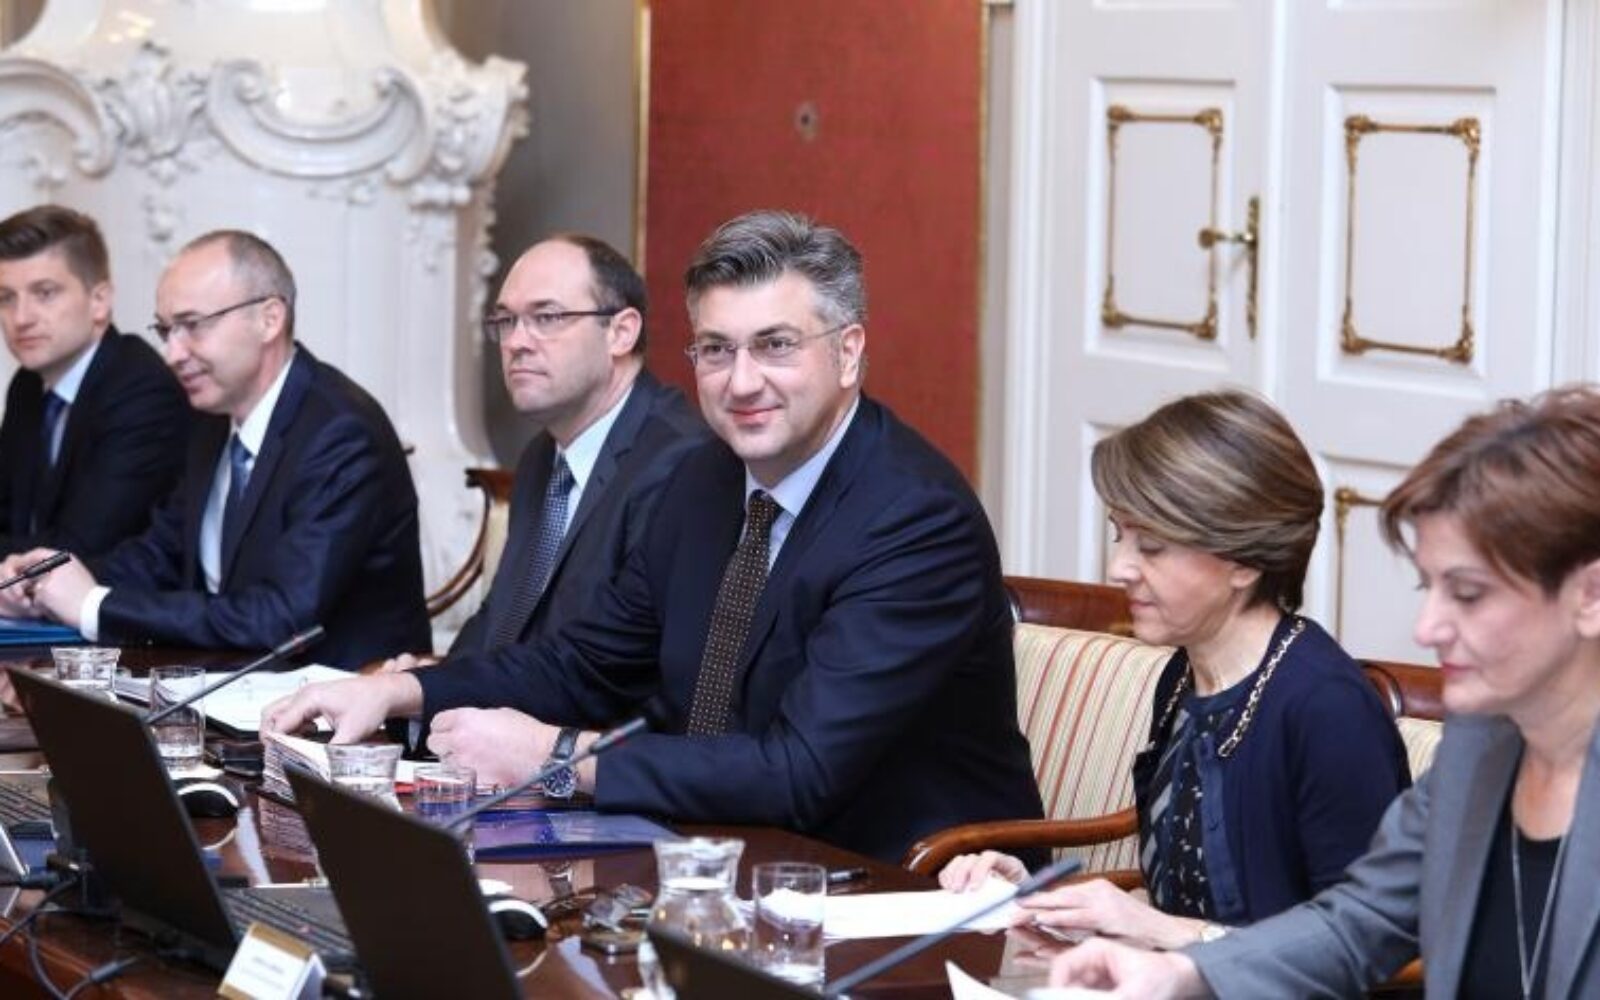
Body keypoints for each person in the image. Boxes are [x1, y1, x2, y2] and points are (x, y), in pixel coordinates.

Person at [264, 209, 1046, 863]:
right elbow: (585, 664)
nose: (741, 382)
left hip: (898, 885)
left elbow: (799, 772)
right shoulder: (703, 478)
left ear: (848, 353)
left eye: (776, 345)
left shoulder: (915, 520)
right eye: (716, 349)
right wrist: (397, 691)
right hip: (706, 852)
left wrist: (556, 759)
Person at [1048, 386, 1600, 999]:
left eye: (1468, 594)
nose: (1427, 629)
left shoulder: (1330, 702)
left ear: (1590, 596)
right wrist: (1183, 973)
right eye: (1430, 590)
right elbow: (1358, 921)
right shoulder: (1483, 745)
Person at [941, 391, 1409, 948]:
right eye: (1121, 535)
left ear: (1244, 560)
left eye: (1153, 546)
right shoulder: (1184, 675)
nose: (1118, 568)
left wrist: (1152, 928)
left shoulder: (1328, 709)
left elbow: (1363, 949)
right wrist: (1035, 897)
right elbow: (1180, 903)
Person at [0, 229, 429, 668]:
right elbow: (159, 555)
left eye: (193, 326)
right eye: (166, 330)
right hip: (228, 682)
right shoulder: (211, 420)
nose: (172, 353)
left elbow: (280, 616)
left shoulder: (341, 432)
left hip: (343, 695)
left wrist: (94, 605)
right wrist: (46, 581)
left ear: (269, 319)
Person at [392, 233, 703, 668]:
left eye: (547, 317)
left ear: (621, 332)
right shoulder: (543, 455)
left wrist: (450, 690)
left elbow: (615, 665)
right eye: (506, 320)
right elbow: (501, 616)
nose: (516, 341)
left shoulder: (680, 463)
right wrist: (431, 680)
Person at [0, 205, 188, 558]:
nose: (20, 318)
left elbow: (76, 551)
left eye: (44, 293)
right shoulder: (27, 384)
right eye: (6, 298)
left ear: (99, 301)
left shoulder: (143, 392)